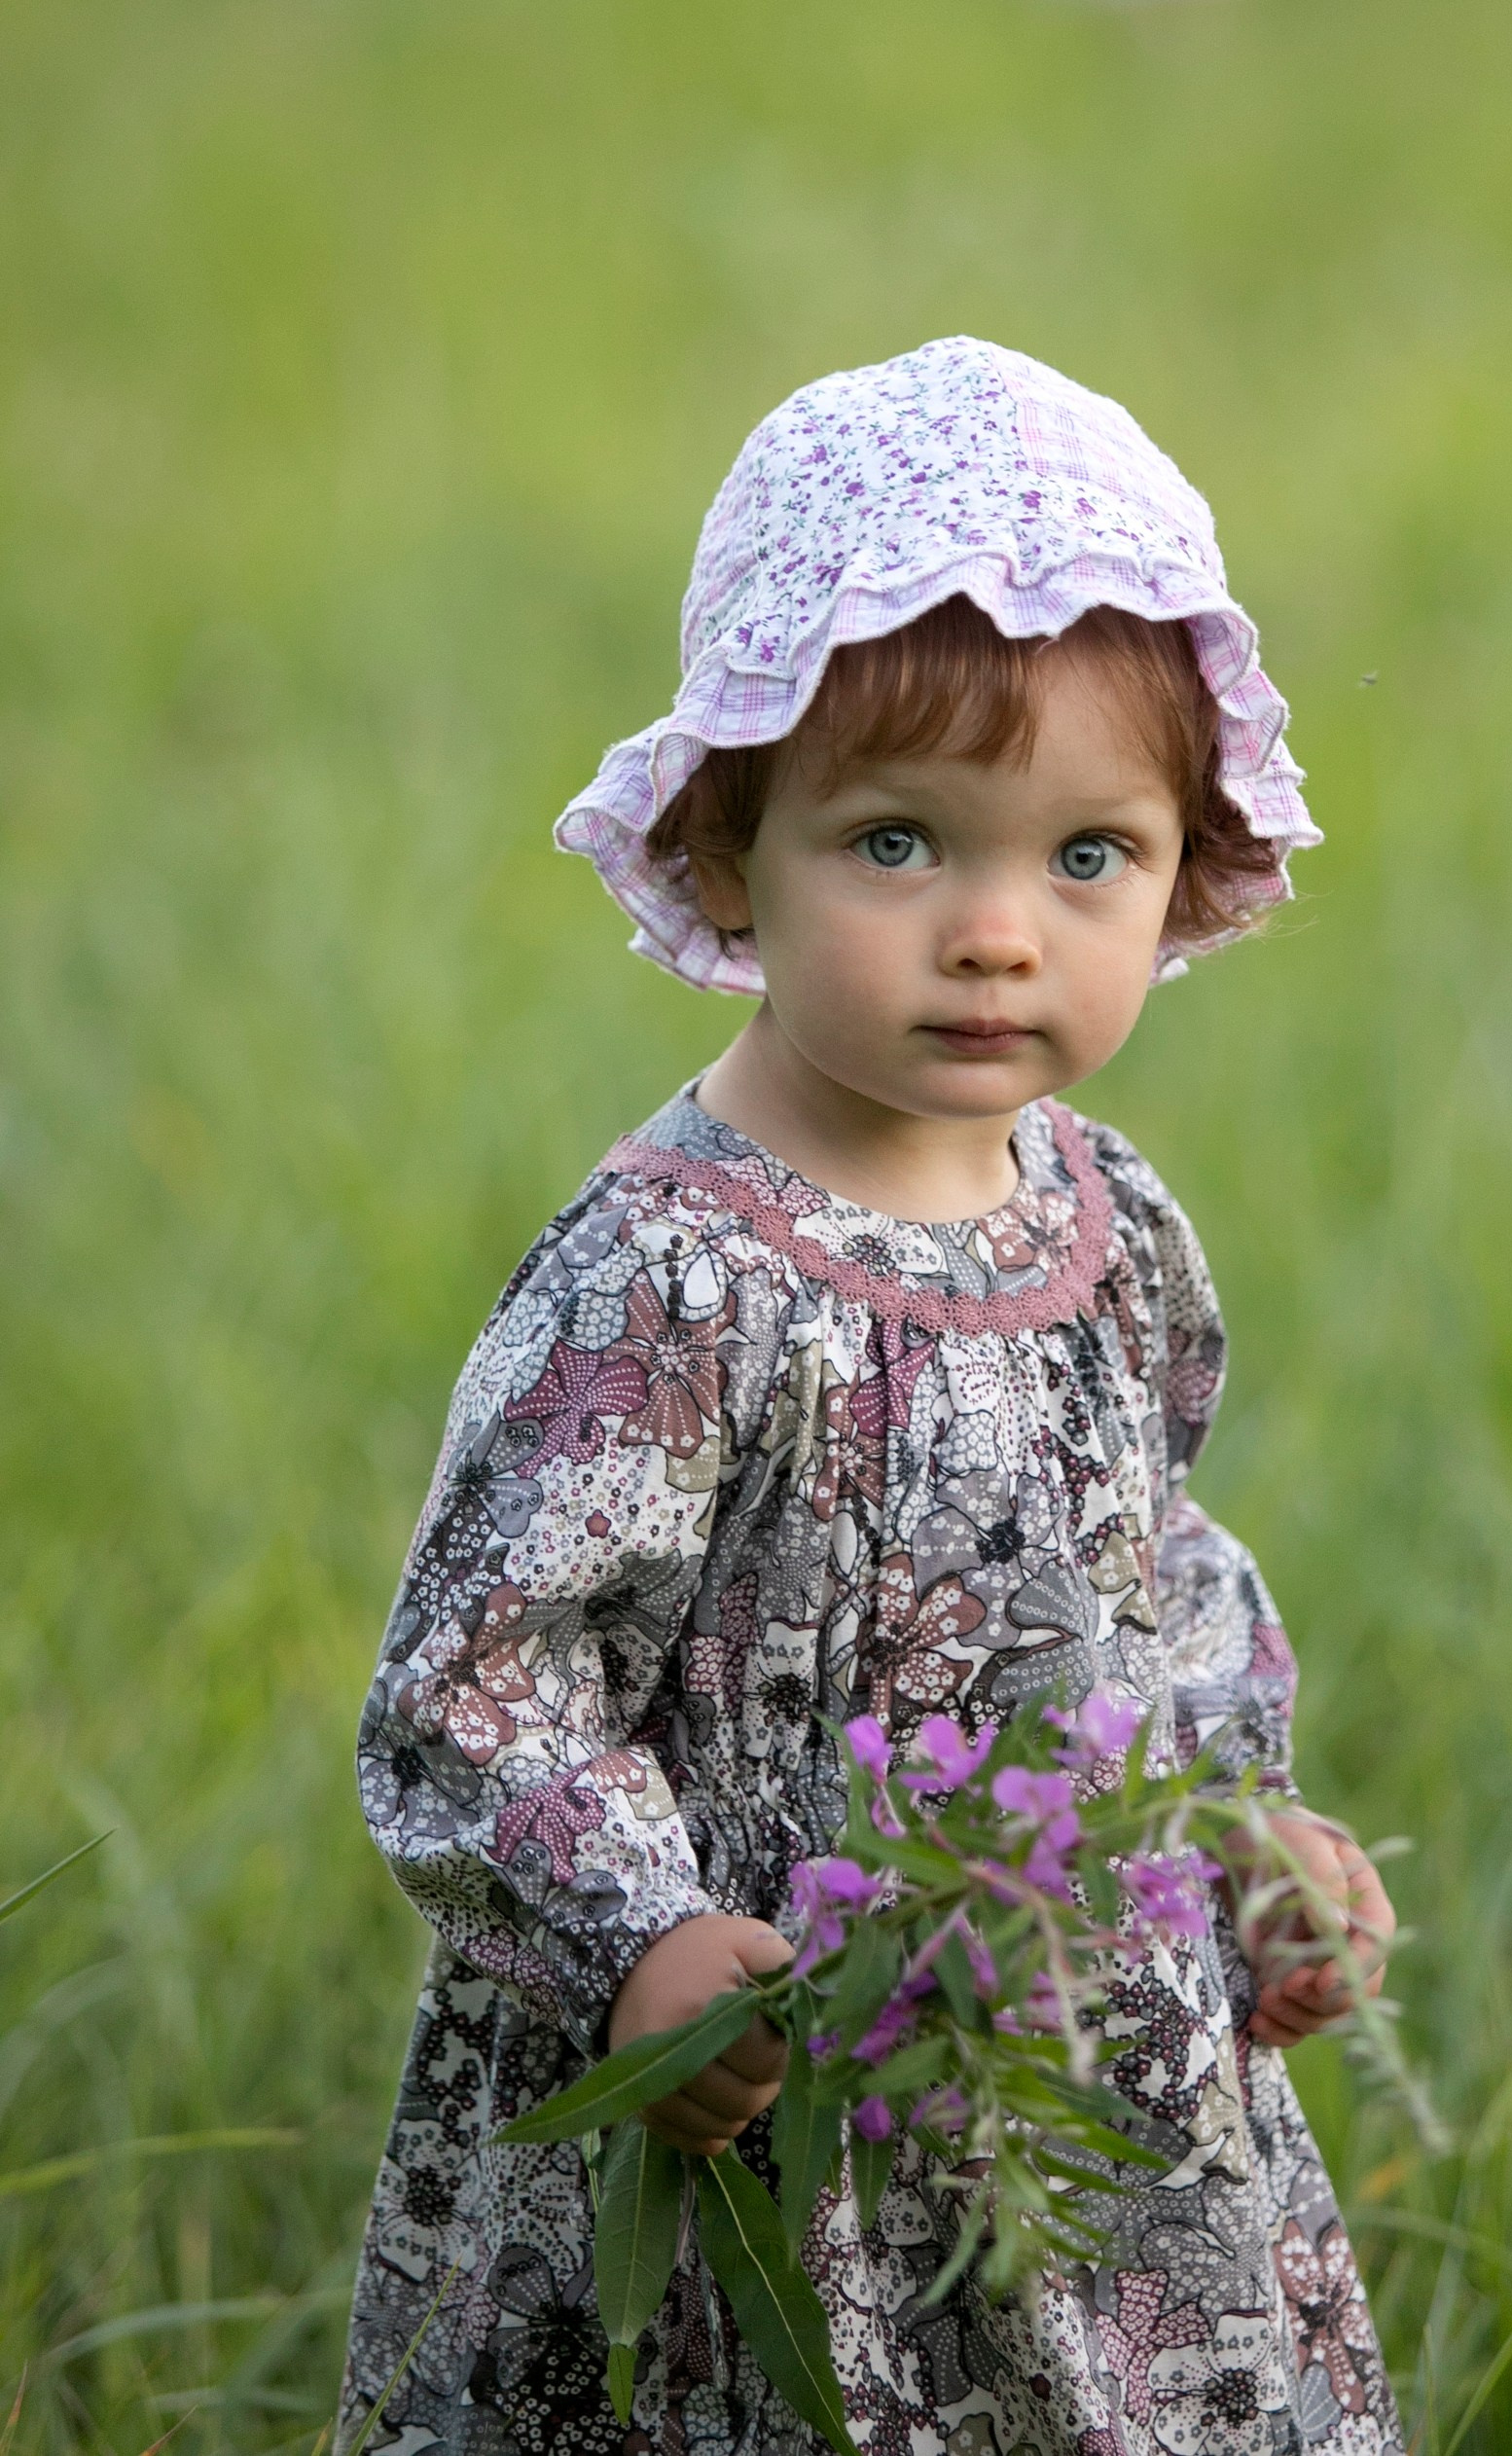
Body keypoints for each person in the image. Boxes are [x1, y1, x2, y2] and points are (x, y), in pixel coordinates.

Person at [339, 337, 1403, 2456]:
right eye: (900, 841)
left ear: (1183, 859)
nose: (999, 933)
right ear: (732, 850)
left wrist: (1233, 1816)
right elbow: (476, 1677)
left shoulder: (1107, 1219)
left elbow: (1151, 1574)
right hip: (762, 2094)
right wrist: (638, 1938)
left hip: (1062, 2088)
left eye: (1088, 854)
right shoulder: (672, 1280)